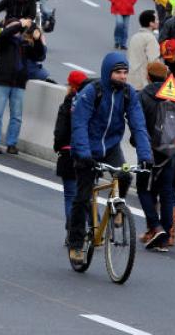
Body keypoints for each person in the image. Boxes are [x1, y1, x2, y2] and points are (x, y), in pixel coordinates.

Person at [67, 54, 154, 262]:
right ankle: (76, 244)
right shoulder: (92, 92)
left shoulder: (128, 94)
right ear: (108, 73)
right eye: (118, 73)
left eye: (125, 73)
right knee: (81, 197)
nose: (123, 77)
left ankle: (117, 208)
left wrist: (145, 155)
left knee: (124, 175)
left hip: (111, 148)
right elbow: (79, 124)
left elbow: (138, 125)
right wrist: (84, 153)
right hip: (87, 148)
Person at [136, 60, 175, 251]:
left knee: (144, 189)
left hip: (149, 151)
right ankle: (166, 238)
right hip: (171, 152)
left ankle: (155, 227)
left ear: (148, 76)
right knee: (167, 192)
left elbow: (137, 123)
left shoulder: (143, 96)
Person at [0, 18, 45, 155]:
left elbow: (40, 56)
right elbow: (4, 34)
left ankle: (11, 143)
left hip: (19, 82)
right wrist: (20, 24)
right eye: (13, 26)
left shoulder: (23, 43)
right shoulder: (2, 41)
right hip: (2, 81)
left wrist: (37, 40)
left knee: (17, 116)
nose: (17, 29)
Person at [54, 69, 91, 230]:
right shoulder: (91, 104)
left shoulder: (67, 104)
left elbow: (60, 131)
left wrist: (58, 146)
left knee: (70, 196)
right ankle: (94, 230)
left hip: (68, 154)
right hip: (87, 154)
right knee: (86, 196)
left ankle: (72, 232)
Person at [127, 10, 161, 88]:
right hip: (143, 81)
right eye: (156, 19)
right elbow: (153, 61)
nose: (158, 22)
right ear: (151, 23)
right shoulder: (150, 38)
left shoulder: (134, 37)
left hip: (130, 78)